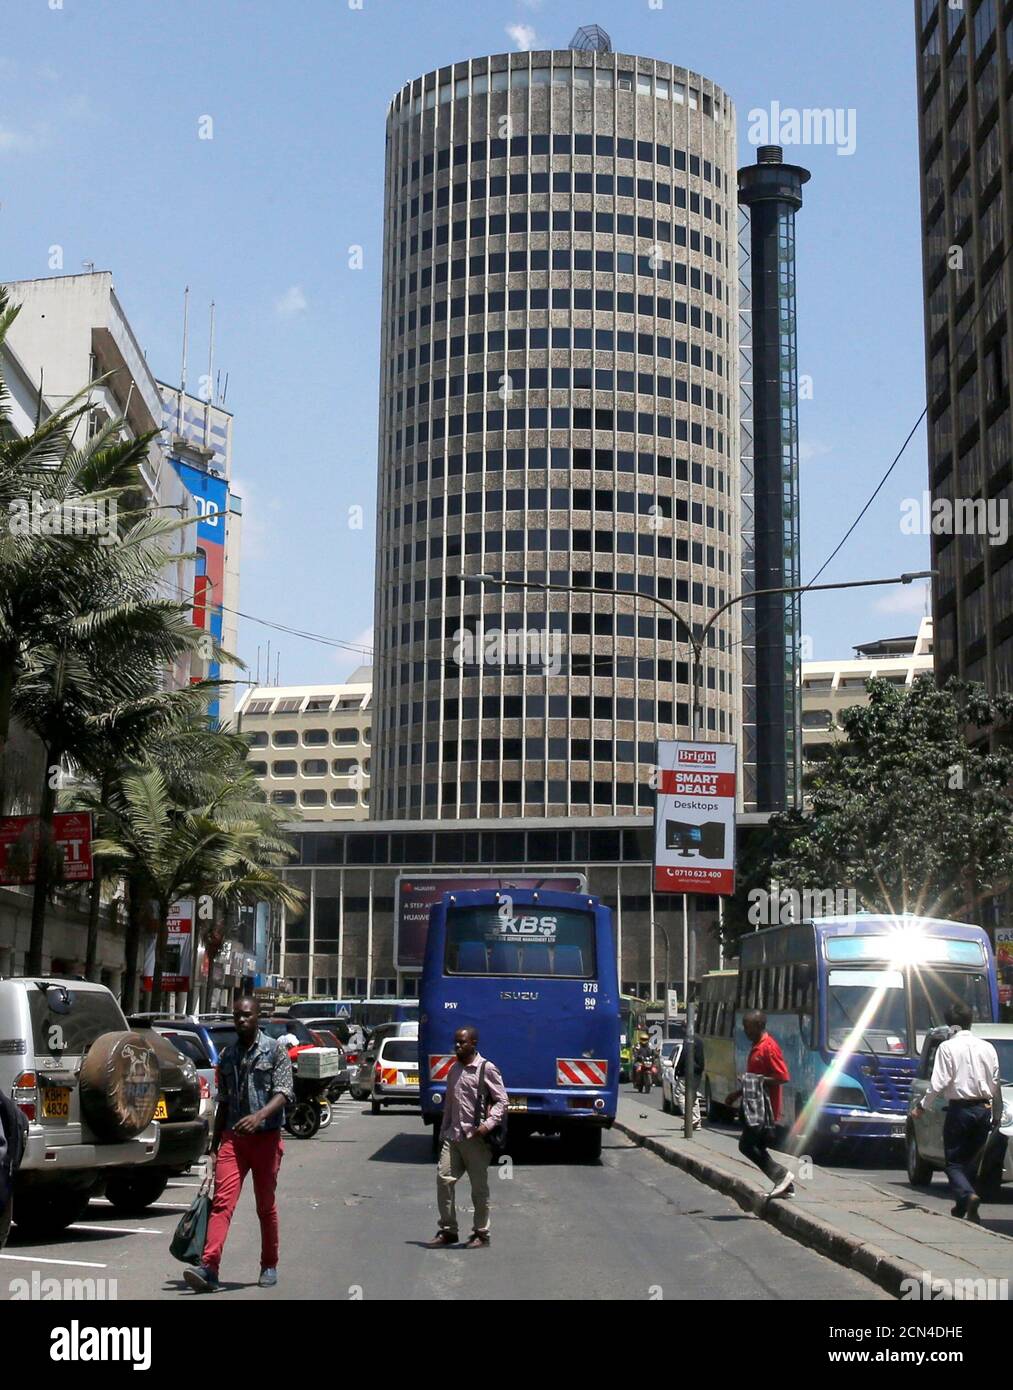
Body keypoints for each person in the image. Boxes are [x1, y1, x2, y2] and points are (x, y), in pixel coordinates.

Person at [184, 996, 295, 1293]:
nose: (241, 1020)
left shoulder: (274, 1051)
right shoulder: (229, 1055)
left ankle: (269, 1264)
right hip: (234, 1139)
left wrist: (259, 1117)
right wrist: (214, 1145)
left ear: (258, 1017)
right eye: (237, 1016)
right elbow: (223, 1101)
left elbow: (284, 1092)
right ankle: (209, 1267)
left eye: (246, 1015)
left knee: (265, 1206)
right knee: (222, 1203)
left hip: (266, 1139)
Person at [912, 1003, 1000, 1223]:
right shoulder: (987, 1047)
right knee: (971, 1160)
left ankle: (967, 1195)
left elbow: (939, 1082)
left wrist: (922, 1105)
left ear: (951, 1025)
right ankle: (963, 1206)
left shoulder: (947, 1047)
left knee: (953, 1162)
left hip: (960, 1110)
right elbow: (995, 1083)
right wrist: (996, 1113)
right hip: (983, 1109)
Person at [427, 1026, 507, 1249]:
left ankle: (481, 1233)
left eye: (462, 1042)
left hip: (476, 1139)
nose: (457, 1046)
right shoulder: (453, 1070)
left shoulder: (486, 1069)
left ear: (474, 1043)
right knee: (444, 1179)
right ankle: (448, 1230)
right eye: (456, 1042)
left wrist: (487, 1125)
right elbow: (450, 1105)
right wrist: (443, 1132)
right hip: (454, 1137)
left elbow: (502, 1101)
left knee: (478, 1188)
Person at [725, 1010, 794, 1199]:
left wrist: (757, 1080)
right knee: (756, 1145)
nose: (745, 1031)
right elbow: (753, 1078)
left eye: (747, 1027)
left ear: (758, 1026)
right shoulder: (756, 1046)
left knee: (747, 1145)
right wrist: (737, 1094)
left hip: (764, 1108)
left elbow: (782, 1077)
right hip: (752, 1105)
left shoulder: (768, 1047)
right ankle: (786, 1186)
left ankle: (782, 1176)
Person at [672, 1033, 705, 1128]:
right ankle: (696, 1121)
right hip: (697, 1072)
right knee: (692, 1095)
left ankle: (690, 1119)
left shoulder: (689, 1039)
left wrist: (678, 1069)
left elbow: (684, 1055)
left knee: (679, 1093)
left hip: (688, 1072)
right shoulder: (699, 1040)